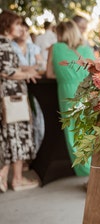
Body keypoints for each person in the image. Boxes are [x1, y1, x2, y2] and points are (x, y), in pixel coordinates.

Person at [46, 20, 95, 176]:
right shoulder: (87, 49)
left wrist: (64, 76)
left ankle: (86, 171)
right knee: (88, 130)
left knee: (74, 132)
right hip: (86, 92)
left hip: (68, 92)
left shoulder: (55, 48)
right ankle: (94, 171)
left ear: (61, 33)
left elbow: (49, 74)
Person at [0, 10, 41, 192]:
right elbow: (5, 71)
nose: (20, 28)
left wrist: (27, 68)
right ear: (7, 25)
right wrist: (27, 74)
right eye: (17, 24)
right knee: (18, 135)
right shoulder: (4, 44)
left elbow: (10, 67)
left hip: (10, 96)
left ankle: (10, 177)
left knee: (12, 136)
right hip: (12, 97)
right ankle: (17, 180)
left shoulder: (6, 44)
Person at [11, 19, 45, 157]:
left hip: (34, 89)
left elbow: (41, 64)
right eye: (21, 29)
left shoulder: (33, 48)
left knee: (37, 123)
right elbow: (9, 68)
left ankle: (32, 156)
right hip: (16, 89)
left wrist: (30, 70)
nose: (24, 32)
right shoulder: (10, 47)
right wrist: (28, 71)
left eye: (26, 30)